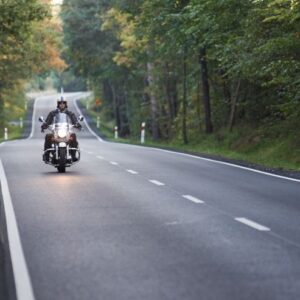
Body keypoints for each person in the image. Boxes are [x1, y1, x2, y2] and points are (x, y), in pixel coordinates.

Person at [41, 97, 82, 162]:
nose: (62, 104)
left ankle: (73, 155)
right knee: (48, 136)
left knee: (73, 136)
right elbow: (48, 121)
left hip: (66, 131)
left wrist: (78, 125)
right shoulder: (53, 113)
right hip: (56, 131)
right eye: (60, 103)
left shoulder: (70, 113)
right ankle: (47, 155)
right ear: (58, 104)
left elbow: (75, 121)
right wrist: (44, 126)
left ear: (66, 104)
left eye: (63, 103)